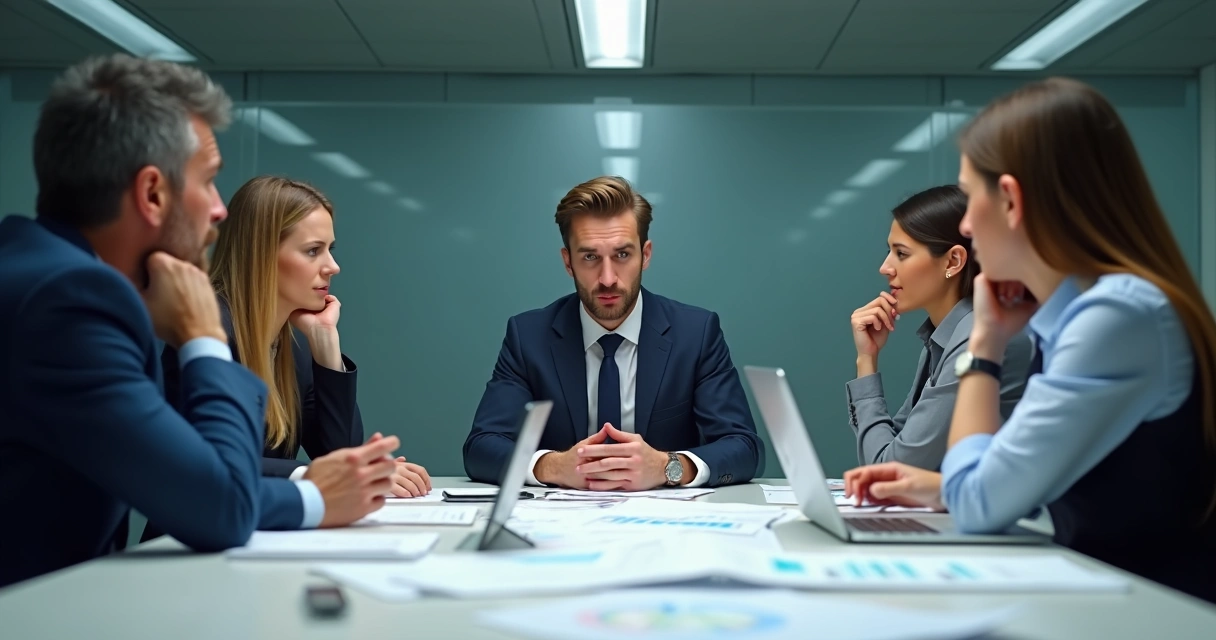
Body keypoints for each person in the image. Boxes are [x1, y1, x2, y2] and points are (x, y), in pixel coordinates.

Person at [0, 54, 397, 587]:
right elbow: (217, 500)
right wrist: (204, 336)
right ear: (152, 193)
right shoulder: (72, 300)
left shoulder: (45, 273)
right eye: (208, 181)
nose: (218, 209)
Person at [843, 77, 1216, 603]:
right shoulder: (1087, 315)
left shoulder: (1115, 316)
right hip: (1110, 598)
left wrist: (987, 344)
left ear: (1012, 200)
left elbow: (981, 500)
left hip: (1149, 613)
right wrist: (939, 488)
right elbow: (1021, 483)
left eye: (971, 199)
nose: (967, 227)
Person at [464, 176, 763, 490]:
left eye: (622, 255)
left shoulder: (697, 333)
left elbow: (744, 447)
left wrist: (668, 466)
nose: (608, 278)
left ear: (645, 255)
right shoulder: (528, 336)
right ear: (568, 262)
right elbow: (482, 448)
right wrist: (553, 466)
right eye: (590, 257)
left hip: (669, 527)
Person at [164, 176, 431, 497]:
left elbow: (338, 452)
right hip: (187, 541)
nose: (333, 267)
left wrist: (325, 344)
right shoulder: (206, 329)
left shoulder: (294, 344)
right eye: (313, 251)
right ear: (261, 254)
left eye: (329, 249)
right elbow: (207, 459)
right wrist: (310, 474)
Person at [846, 186, 1032, 470]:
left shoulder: (975, 337)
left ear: (953, 261)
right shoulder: (950, 332)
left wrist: (866, 363)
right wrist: (866, 357)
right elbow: (898, 447)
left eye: (902, 253)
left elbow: (890, 468)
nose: (885, 267)